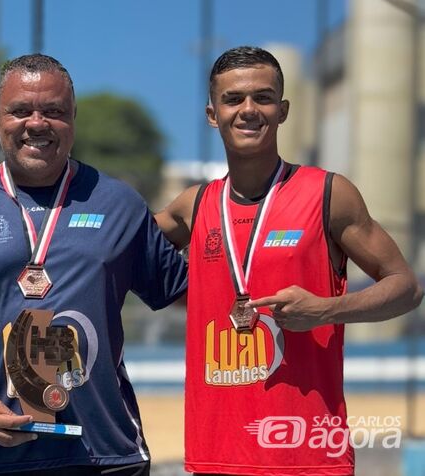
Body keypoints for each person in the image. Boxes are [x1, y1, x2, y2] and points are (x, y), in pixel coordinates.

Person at [155, 46, 423, 475]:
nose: (248, 110)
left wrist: (326, 309)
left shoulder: (329, 195)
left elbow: (406, 287)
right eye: (233, 99)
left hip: (307, 456)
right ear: (212, 114)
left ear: (283, 110)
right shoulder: (194, 205)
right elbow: (112, 245)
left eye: (262, 98)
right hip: (215, 458)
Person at [0, 53, 187, 476]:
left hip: (107, 454)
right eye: (21, 110)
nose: (37, 123)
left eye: (54, 111)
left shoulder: (119, 204)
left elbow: (190, 292)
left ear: (73, 117)